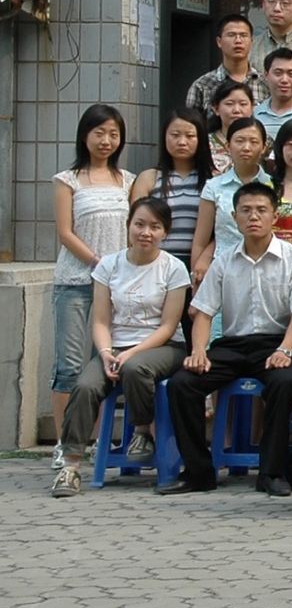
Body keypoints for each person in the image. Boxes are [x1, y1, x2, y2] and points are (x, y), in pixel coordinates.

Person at [164, 181, 292, 495]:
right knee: (182, 384)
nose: (253, 216)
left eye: (261, 210)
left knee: (285, 382)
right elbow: (203, 313)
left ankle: (271, 473)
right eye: (245, 210)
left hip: (276, 343)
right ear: (234, 217)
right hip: (232, 345)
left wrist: (286, 349)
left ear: (275, 215)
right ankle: (199, 473)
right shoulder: (223, 261)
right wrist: (199, 350)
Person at [49, 197, 190, 496]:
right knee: (85, 385)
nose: (146, 232)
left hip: (163, 346)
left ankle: (142, 431)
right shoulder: (109, 265)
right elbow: (101, 321)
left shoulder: (174, 268)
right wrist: (105, 353)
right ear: (128, 226)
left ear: (165, 232)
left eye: (155, 227)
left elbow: (168, 326)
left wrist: (131, 353)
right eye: (140, 224)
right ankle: (71, 466)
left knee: (136, 368)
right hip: (114, 347)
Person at [49, 106, 135, 459]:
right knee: (68, 364)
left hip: (115, 285)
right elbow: (65, 232)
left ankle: (99, 439)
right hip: (75, 280)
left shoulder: (127, 180)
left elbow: (134, 229)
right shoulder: (67, 180)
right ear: (85, 135)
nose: (106, 141)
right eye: (99, 133)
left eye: (113, 134)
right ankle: (64, 442)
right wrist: (99, 262)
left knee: (103, 362)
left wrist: (116, 270)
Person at [196, 116, 271, 280]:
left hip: (266, 269)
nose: (246, 147)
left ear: (263, 147)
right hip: (224, 269)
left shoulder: (273, 186)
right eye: (240, 141)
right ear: (228, 146)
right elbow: (201, 240)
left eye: (253, 142)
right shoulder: (213, 187)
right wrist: (197, 275)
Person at [184, 13, 256, 114]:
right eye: (231, 35)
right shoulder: (202, 85)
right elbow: (191, 122)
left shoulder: (266, 83)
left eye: (243, 35)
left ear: (251, 41)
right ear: (219, 42)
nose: (238, 40)